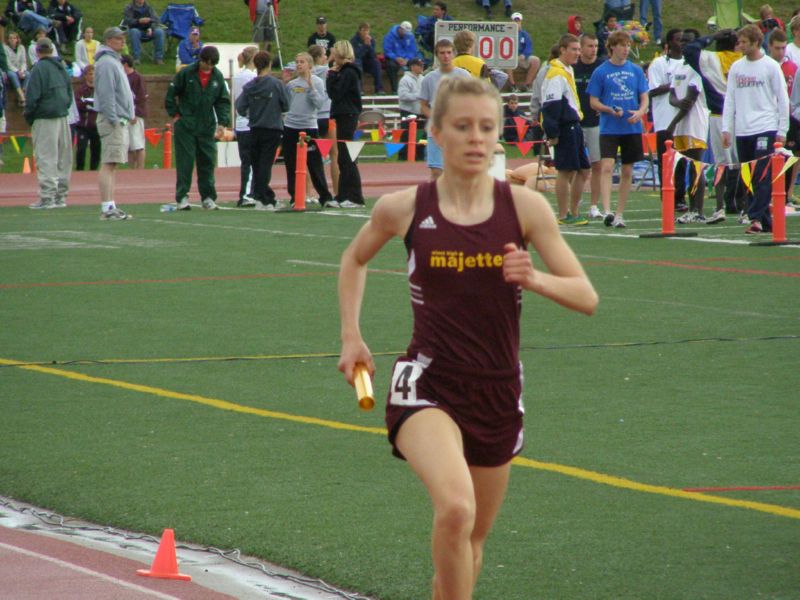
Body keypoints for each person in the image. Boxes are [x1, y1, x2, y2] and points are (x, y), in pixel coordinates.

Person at [337, 76, 598, 600]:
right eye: (462, 126)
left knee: (471, 542)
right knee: (456, 509)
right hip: (427, 384)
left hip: (498, 390)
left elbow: (585, 295)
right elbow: (354, 258)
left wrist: (534, 278)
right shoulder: (405, 207)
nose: (476, 138)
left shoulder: (526, 209)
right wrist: (352, 336)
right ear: (436, 132)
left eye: (487, 127)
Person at [722, 24, 789, 234]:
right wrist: (727, 128)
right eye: (739, 41)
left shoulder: (770, 66)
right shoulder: (736, 68)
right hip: (743, 129)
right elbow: (730, 100)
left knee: (761, 173)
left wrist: (782, 129)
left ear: (755, 42)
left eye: (743, 42)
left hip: (765, 127)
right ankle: (765, 221)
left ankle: (755, 217)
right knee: (748, 177)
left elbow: (782, 98)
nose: (739, 45)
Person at [683, 28, 746, 224]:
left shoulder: (710, 59)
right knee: (745, 163)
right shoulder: (742, 60)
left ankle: (719, 209)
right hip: (742, 117)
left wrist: (710, 37)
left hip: (719, 117)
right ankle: (745, 210)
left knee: (721, 165)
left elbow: (690, 49)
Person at [587, 30, 649, 228]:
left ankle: (620, 213)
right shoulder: (601, 71)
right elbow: (593, 102)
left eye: (628, 46)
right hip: (609, 127)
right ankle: (607, 211)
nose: (626, 49)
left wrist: (640, 113)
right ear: (612, 47)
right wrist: (609, 109)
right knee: (606, 167)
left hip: (631, 127)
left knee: (628, 171)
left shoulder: (636, 70)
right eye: (622, 45)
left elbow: (644, 97)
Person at [165, 45, 231, 210]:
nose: (208, 67)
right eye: (206, 63)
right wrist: (176, 114)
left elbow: (222, 101)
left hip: (206, 125)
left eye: (211, 64)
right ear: (200, 60)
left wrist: (222, 123)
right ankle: (182, 197)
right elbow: (171, 94)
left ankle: (208, 197)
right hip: (186, 125)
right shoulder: (186, 73)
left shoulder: (217, 77)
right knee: (185, 162)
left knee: (207, 161)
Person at [542, 33, 590, 226]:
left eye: (579, 49)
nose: (577, 53)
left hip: (574, 125)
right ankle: (563, 214)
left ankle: (574, 210)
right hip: (565, 127)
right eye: (573, 49)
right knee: (565, 170)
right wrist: (553, 133)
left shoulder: (567, 69)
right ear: (562, 50)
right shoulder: (556, 73)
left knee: (584, 170)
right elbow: (550, 106)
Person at [236, 50, 289, 210]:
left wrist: (251, 113)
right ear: (269, 64)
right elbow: (286, 104)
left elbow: (240, 106)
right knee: (265, 164)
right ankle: (265, 198)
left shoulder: (250, 85)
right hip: (272, 128)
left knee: (257, 164)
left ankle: (261, 195)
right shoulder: (276, 84)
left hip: (254, 128)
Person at [666, 30, 710, 224]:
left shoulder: (697, 69)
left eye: (688, 41)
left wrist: (672, 122)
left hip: (694, 123)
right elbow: (672, 96)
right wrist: (677, 103)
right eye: (681, 41)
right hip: (681, 123)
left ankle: (697, 209)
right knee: (685, 165)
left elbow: (690, 101)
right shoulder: (679, 68)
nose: (683, 44)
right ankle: (691, 208)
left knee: (695, 166)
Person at [24, 36, 72, 210]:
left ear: (37, 51)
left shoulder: (38, 69)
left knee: (46, 157)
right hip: (62, 115)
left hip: (44, 117)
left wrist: (29, 117)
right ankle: (61, 196)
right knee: (63, 158)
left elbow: (32, 98)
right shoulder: (61, 67)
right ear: (51, 49)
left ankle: (47, 197)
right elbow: (69, 93)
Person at [281, 51, 334, 208]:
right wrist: (284, 85)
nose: (299, 64)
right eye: (297, 62)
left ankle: (325, 197)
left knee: (314, 163)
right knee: (291, 163)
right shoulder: (292, 84)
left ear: (309, 65)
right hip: (291, 127)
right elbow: (285, 105)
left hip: (309, 127)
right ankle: (295, 196)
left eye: (302, 61)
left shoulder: (317, 82)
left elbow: (318, 104)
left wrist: (311, 87)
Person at [94, 26, 134, 220]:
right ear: (109, 40)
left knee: (113, 163)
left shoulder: (114, 62)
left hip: (119, 118)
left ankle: (110, 204)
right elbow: (106, 93)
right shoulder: (107, 63)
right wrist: (113, 119)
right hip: (113, 119)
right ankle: (107, 207)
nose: (123, 41)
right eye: (119, 38)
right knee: (109, 163)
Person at [648, 29, 689, 213]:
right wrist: (673, 84)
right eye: (679, 40)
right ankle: (667, 197)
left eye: (684, 40)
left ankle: (680, 198)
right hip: (665, 119)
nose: (682, 43)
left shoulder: (688, 64)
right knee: (666, 161)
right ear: (669, 43)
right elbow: (653, 89)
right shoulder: (658, 63)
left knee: (682, 162)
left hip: (685, 120)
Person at [419, 37, 471, 179]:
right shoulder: (429, 79)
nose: (446, 56)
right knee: (437, 171)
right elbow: (423, 104)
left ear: (454, 54)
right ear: (437, 55)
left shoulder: (464, 75)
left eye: (448, 52)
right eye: (442, 53)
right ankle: (436, 200)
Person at [327, 40, 365, 207]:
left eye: (334, 51)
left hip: (348, 114)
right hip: (343, 114)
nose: (332, 55)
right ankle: (343, 195)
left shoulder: (349, 72)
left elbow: (335, 93)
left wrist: (331, 75)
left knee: (347, 156)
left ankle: (355, 197)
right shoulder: (343, 71)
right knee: (343, 157)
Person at [766, 28, 800, 203]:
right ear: (769, 47)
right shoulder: (764, 65)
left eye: (783, 48)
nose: (780, 52)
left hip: (787, 118)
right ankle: (765, 196)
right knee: (765, 158)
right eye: (777, 48)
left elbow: (793, 97)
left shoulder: (792, 67)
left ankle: (784, 196)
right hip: (766, 119)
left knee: (788, 156)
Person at [572, 33, 604, 219]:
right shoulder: (573, 66)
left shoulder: (601, 66)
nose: (593, 50)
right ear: (581, 47)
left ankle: (593, 205)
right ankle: (574, 201)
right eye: (590, 46)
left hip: (595, 121)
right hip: (575, 121)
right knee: (574, 166)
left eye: (596, 46)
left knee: (597, 164)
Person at [309, 44, 339, 198]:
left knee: (309, 158)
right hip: (326, 115)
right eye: (323, 55)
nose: (326, 57)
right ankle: (337, 192)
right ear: (317, 58)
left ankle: (307, 194)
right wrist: (334, 56)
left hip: (313, 117)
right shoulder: (324, 70)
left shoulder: (307, 72)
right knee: (334, 155)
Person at [232, 45, 258, 206]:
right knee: (250, 161)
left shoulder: (239, 76)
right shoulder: (250, 77)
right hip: (248, 122)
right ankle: (247, 194)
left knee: (248, 161)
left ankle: (250, 192)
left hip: (242, 123)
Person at [121, 54, 147, 169]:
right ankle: (131, 170)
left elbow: (141, 97)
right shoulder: (122, 78)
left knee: (138, 144)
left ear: (125, 64)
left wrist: (134, 113)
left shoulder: (137, 78)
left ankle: (140, 170)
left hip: (136, 115)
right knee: (129, 146)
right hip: (125, 115)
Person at [382, 20, 420, 94]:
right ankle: (395, 89)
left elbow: (413, 50)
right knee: (391, 66)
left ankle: (417, 88)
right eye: (404, 32)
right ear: (400, 29)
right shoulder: (389, 36)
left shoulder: (410, 36)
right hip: (394, 58)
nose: (406, 34)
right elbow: (387, 50)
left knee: (418, 63)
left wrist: (407, 59)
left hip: (406, 58)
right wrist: (396, 58)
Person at [398, 56, 424, 160]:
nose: (422, 67)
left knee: (421, 136)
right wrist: (419, 95)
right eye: (420, 65)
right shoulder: (405, 80)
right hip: (408, 112)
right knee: (406, 136)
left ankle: (419, 156)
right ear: (412, 67)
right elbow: (403, 96)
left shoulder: (423, 79)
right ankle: (403, 157)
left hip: (420, 112)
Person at [74, 64, 100, 171]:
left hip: (96, 125)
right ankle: (80, 170)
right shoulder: (80, 90)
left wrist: (92, 105)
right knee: (81, 149)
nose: (92, 76)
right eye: (90, 74)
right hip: (83, 125)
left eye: (94, 74)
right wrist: (89, 105)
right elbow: (78, 104)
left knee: (96, 150)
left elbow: (103, 104)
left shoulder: (100, 89)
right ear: (85, 76)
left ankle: (93, 170)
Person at [122, 0, 165, 65]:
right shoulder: (129, 8)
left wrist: (151, 28)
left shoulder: (149, 7)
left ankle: (158, 58)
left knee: (159, 32)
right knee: (134, 32)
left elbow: (157, 20)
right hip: (136, 30)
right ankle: (136, 58)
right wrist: (138, 21)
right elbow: (128, 21)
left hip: (149, 30)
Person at [506, 12, 539, 92]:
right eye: (515, 21)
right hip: (510, 57)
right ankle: (513, 85)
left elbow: (529, 47)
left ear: (521, 22)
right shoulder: (507, 34)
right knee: (507, 61)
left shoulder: (524, 34)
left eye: (518, 21)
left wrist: (524, 55)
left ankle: (527, 85)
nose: (517, 23)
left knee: (535, 60)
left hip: (521, 58)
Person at [351, 22, 384, 95]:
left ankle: (379, 89)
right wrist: (364, 46)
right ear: (360, 31)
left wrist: (369, 46)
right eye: (364, 30)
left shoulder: (371, 40)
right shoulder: (354, 40)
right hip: (357, 61)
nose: (366, 32)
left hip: (367, 62)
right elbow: (356, 55)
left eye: (367, 30)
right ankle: (360, 90)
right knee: (357, 63)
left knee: (377, 63)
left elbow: (372, 55)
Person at [3, 30, 27, 106]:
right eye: (10, 38)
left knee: (28, 74)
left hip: (20, 69)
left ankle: (21, 95)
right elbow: (8, 63)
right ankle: (22, 96)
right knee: (13, 75)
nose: (12, 40)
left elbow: (24, 61)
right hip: (10, 69)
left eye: (14, 38)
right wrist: (17, 71)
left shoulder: (21, 47)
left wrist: (22, 71)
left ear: (17, 39)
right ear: (8, 40)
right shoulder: (5, 48)